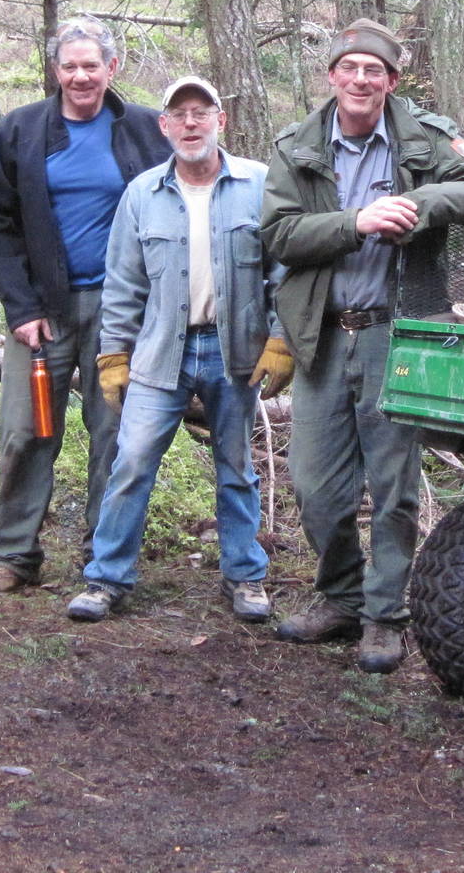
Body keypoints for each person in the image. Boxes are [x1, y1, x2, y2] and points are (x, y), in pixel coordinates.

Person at [261, 18, 464, 672]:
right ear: (334, 76)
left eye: (376, 70)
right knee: (315, 485)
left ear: (392, 81)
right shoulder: (298, 146)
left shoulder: (424, 134)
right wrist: (356, 221)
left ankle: (384, 617)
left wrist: (421, 203)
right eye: (351, 68)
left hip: (396, 333)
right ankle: (339, 596)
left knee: (393, 486)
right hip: (321, 332)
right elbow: (279, 234)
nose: (362, 79)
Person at [64, 77, 294, 624]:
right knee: (133, 461)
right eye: (179, 114)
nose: (191, 124)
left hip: (235, 352)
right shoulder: (142, 194)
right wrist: (113, 355)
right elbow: (122, 283)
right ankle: (106, 578)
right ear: (163, 126)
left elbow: (283, 274)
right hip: (158, 353)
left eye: (201, 112)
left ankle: (245, 576)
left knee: (237, 467)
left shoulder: (259, 186)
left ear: (221, 120)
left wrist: (281, 339)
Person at [0, 16, 171, 597]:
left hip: (123, 313)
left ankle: (103, 555)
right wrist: (22, 307)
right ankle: (11, 553)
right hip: (44, 310)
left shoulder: (142, 130)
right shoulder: (22, 130)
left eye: (92, 65)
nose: (80, 76)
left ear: (113, 68)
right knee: (26, 429)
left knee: (115, 432)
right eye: (69, 65)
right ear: (54, 70)